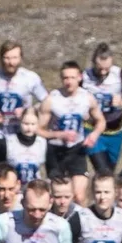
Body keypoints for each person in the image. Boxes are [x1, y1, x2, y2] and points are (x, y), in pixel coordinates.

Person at [0, 41, 48, 168]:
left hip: (22, 129)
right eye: (7, 58)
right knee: (0, 159)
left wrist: (28, 110)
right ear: (0, 58)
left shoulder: (30, 78)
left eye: (15, 58)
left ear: (21, 58)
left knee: (18, 162)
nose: (11, 62)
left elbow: (46, 100)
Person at [43, 61, 102, 190]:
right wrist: (58, 134)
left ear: (79, 77)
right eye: (65, 78)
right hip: (55, 150)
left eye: (72, 78)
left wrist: (94, 135)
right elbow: (38, 129)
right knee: (57, 194)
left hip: (76, 149)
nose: (69, 82)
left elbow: (101, 121)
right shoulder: (52, 99)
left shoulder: (87, 98)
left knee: (79, 195)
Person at [83, 43, 122, 175]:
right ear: (93, 63)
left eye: (106, 69)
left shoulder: (119, 75)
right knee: (103, 171)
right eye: (99, 69)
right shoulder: (84, 76)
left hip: (114, 133)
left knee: (109, 174)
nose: (103, 72)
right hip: (93, 130)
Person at [3, 107, 49, 184]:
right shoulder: (9, 141)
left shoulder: (42, 142)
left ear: (38, 124)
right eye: (26, 123)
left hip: (35, 187)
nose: (29, 127)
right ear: (20, 122)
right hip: (14, 187)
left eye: (33, 124)